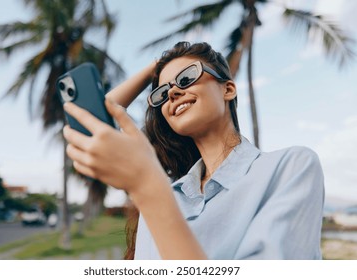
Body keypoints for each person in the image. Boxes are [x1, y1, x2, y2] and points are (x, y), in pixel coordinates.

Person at [63, 42, 325, 260]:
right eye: (161, 93)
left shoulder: (290, 167)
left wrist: (148, 187)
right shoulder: (168, 191)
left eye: (187, 77)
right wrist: (154, 68)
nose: (173, 92)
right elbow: (90, 129)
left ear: (228, 88)